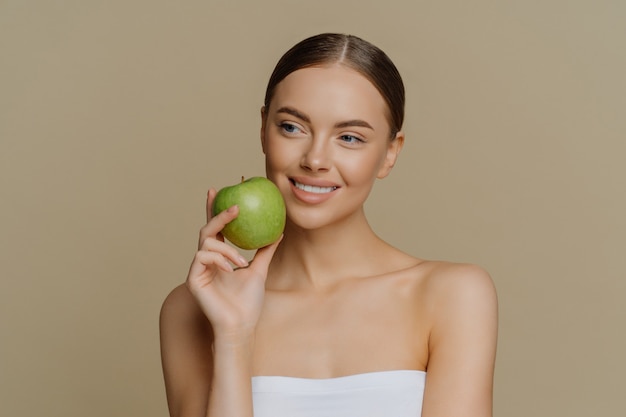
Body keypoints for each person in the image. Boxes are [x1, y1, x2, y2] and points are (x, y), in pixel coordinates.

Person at [159, 33, 498, 417]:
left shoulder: (452, 295)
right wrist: (233, 335)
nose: (316, 159)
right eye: (292, 127)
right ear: (263, 130)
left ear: (390, 153)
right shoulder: (192, 309)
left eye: (350, 137)